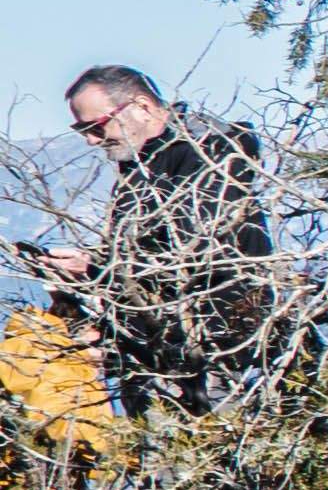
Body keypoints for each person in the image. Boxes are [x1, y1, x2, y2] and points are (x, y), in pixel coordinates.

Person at [39, 70, 279, 412]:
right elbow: (138, 251)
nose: (92, 140)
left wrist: (97, 270)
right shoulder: (139, 161)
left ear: (142, 106)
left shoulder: (211, 150)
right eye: (82, 131)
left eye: (97, 126)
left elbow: (194, 252)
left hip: (220, 352)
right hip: (157, 354)